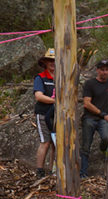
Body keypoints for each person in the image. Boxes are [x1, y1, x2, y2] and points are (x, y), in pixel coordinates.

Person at [80, 59, 108, 178]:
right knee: (86, 145)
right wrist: (102, 114)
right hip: (90, 118)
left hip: (104, 119)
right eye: (102, 69)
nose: (104, 72)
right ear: (97, 70)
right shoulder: (90, 84)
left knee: (106, 138)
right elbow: (86, 103)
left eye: (106, 70)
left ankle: (103, 149)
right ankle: (83, 173)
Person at [33, 48, 56, 178]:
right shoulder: (40, 77)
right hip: (43, 113)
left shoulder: (61, 77)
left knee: (55, 143)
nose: (52, 63)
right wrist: (55, 101)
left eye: (54, 60)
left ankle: (53, 170)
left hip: (58, 115)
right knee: (45, 142)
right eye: (50, 60)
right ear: (45, 62)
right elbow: (39, 96)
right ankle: (40, 170)